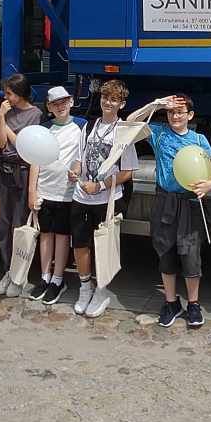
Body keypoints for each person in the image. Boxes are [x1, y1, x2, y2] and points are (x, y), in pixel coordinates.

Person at [125, 94, 211, 328]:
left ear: (190, 115)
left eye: (180, 112)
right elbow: (129, 123)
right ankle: (171, 302)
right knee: (165, 253)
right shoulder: (159, 134)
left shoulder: (199, 139)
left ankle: (193, 304)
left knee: (191, 255)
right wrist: (154, 104)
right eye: (171, 112)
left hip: (190, 203)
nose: (175, 116)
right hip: (165, 202)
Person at [69, 79, 138, 319]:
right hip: (81, 197)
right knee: (80, 244)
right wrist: (74, 171)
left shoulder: (123, 132)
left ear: (122, 104)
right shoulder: (89, 126)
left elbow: (127, 172)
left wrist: (99, 185)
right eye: (105, 98)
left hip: (107, 200)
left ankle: (101, 290)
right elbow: (79, 158)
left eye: (114, 99)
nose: (108, 102)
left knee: (103, 248)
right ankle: (84, 288)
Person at [27, 85, 85, 305]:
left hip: (66, 193)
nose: (60, 107)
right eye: (55, 104)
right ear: (49, 107)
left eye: (64, 102)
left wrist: (77, 171)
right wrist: (32, 191)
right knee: (45, 234)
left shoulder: (81, 127)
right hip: (45, 190)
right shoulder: (44, 129)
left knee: (62, 236)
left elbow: (83, 156)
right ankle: (44, 276)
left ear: (71, 102)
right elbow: (35, 160)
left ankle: (58, 279)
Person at [0, 74, 42, 297]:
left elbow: (25, 147)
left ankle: (18, 274)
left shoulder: (35, 114)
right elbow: (1, 143)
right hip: (5, 171)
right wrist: (1, 117)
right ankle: (7, 270)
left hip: (22, 171)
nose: (6, 97)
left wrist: (4, 125)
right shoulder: (6, 112)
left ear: (21, 93)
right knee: (4, 225)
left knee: (19, 225)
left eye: (10, 93)